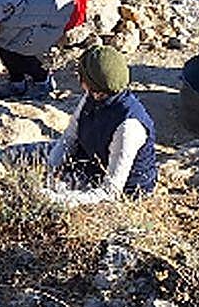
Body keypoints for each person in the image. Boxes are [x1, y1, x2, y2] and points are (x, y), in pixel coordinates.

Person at [41, 45, 156, 205]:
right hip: (91, 161)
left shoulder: (128, 127)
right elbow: (70, 137)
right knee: (20, 155)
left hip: (120, 193)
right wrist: (50, 168)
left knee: (48, 192)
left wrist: (58, 199)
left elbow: (111, 191)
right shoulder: (93, 96)